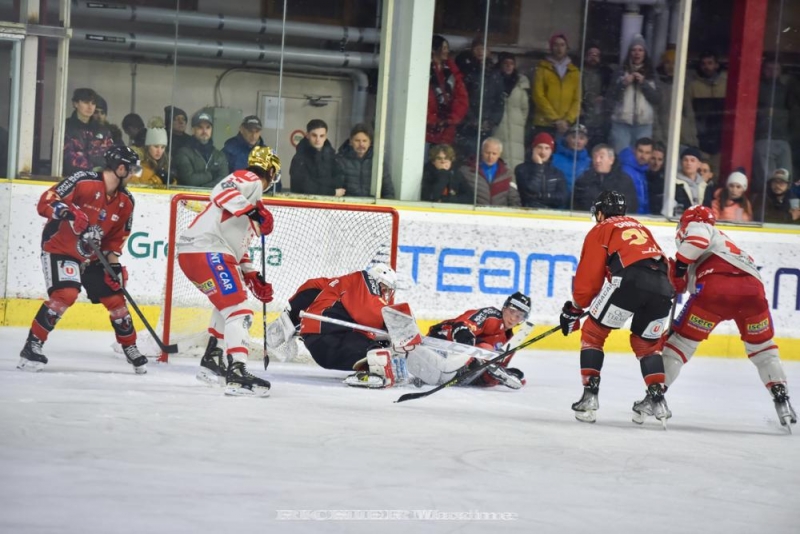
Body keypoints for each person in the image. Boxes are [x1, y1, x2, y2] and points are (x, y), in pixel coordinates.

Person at [661, 205, 796, 429]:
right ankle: (782, 398)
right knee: (763, 349)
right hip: (753, 294)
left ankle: (655, 395)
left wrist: (679, 268)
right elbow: (687, 284)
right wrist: (680, 278)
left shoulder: (700, 227)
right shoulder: (727, 248)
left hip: (715, 292)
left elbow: (696, 241)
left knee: (681, 344)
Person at [18, 146, 148, 374]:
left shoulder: (126, 201)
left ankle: (130, 346)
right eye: (132, 170)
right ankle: (32, 346)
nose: (133, 175)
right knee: (65, 294)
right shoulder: (83, 180)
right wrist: (68, 213)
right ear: (120, 168)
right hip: (61, 248)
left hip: (93, 256)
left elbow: (114, 241)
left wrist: (114, 268)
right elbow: (47, 200)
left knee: (116, 298)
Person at [559, 191, 673, 424]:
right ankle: (658, 400)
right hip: (663, 286)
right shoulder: (640, 227)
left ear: (600, 213)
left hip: (630, 281)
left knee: (593, 333)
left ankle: (589, 398)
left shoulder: (601, 229)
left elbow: (589, 278)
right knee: (648, 346)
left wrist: (575, 308)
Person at [176, 146, 281, 397]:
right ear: (270, 171)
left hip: (201, 253)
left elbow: (237, 249)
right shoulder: (251, 180)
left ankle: (213, 360)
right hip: (206, 250)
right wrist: (254, 211)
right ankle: (237, 373)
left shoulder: (248, 207)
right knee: (239, 311)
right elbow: (220, 190)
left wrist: (252, 275)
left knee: (227, 308)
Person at [299, 264, 401, 388]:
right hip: (325, 336)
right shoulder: (363, 280)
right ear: (376, 280)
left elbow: (312, 285)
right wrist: (395, 324)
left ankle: (368, 370)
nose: (385, 293)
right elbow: (369, 311)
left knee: (380, 349)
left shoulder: (349, 283)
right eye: (384, 288)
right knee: (377, 353)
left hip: (329, 337)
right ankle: (370, 372)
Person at [414, 292, 532, 389]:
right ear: (504, 307)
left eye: (519, 316)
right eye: (512, 311)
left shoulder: (509, 342)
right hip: (441, 339)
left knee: (489, 359)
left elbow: (489, 376)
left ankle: (453, 372)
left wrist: (498, 376)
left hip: (459, 368)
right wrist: (464, 335)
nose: (513, 318)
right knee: (487, 349)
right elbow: (462, 325)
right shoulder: (491, 315)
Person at [454, 36, 505, 161]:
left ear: (489, 51)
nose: (480, 52)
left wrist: (492, 121)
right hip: (468, 124)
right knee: (468, 157)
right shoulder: (467, 71)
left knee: (485, 156)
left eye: (483, 48)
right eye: (477, 48)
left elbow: (499, 100)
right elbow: (462, 97)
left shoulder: (495, 73)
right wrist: (471, 119)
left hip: (486, 124)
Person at [607, 35, 659, 153]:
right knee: (622, 157)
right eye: (634, 50)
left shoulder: (651, 73)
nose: (637, 53)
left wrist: (644, 84)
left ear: (645, 53)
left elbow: (657, 98)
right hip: (621, 123)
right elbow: (611, 96)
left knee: (642, 159)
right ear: (629, 53)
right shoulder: (620, 71)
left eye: (640, 50)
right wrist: (623, 84)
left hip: (644, 125)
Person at [753, 58, 793, 193]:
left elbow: (794, 113)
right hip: (763, 137)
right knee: (767, 180)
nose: (772, 72)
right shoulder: (757, 88)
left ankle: (783, 204)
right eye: (769, 69)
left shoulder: (787, 90)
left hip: (783, 138)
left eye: (776, 69)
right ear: (763, 70)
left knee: (786, 178)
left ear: (780, 71)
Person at [531, 33, 581, 138]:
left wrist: (568, 119)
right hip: (545, 122)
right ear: (551, 48)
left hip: (567, 125)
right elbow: (538, 95)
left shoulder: (574, 71)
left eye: (562, 45)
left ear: (567, 48)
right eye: (556, 45)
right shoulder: (542, 69)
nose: (559, 48)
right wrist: (555, 119)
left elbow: (577, 99)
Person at [686, 51, 728, 174]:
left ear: (716, 65)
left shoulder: (726, 85)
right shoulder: (693, 87)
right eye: (703, 64)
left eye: (710, 63)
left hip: (721, 138)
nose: (706, 67)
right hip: (700, 137)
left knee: (717, 174)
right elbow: (689, 113)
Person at [426, 35, 468, 148]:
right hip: (426, 131)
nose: (446, 51)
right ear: (434, 49)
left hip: (446, 131)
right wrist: (433, 120)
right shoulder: (424, 69)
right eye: (443, 48)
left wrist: (451, 119)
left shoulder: (452, 71)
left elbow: (461, 98)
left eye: (447, 48)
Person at [62, 87, 114, 176]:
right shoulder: (64, 127)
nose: (90, 107)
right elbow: (66, 158)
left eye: (93, 103)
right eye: (86, 102)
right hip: (71, 178)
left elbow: (110, 157)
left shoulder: (103, 130)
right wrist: (93, 167)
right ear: (75, 104)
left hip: (98, 179)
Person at [334, 123, 395, 198]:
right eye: (357, 140)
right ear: (350, 142)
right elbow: (335, 189)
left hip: (372, 204)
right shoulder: (340, 160)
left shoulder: (377, 161)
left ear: (370, 143)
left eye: (364, 141)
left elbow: (388, 190)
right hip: (347, 203)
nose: (361, 144)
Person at [572, 144, 638, 213]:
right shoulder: (583, 180)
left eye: (601, 157)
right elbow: (576, 205)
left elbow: (630, 205)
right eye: (595, 157)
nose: (597, 160)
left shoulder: (624, 181)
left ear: (611, 160)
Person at [493, 52, 530, 171]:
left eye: (511, 63)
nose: (509, 66)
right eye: (506, 63)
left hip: (516, 129)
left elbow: (525, 108)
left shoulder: (520, 84)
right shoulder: (493, 81)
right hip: (498, 126)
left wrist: (519, 121)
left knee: (516, 161)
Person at [458, 137, 520, 207]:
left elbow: (514, 198)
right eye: (487, 153)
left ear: (499, 154)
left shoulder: (507, 173)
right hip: (475, 212)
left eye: (494, 153)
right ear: (482, 151)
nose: (490, 156)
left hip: (499, 212)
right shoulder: (467, 171)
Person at [173, 110, 229, 188]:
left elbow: (224, 180)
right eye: (200, 127)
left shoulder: (219, 155)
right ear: (193, 130)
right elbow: (189, 180)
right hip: (189, 195)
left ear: (211, 130)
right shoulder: (183, 153)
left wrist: (204, 187)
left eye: (208, 127)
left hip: (213, 195)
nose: (204, 131)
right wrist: (211, 175)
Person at [515, 132, 569, 209]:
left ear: (551, 151)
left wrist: (540, 196)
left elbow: (563, 198)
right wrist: (538, 167)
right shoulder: (521, 169)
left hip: (550, 213)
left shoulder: (557, 173)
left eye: (547, 148)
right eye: (539, 147)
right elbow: (530, 191)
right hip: (527, 212)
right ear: (533, 149)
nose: (543, 152)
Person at [223, 116, 277, 191]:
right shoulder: (229, 150)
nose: (253, 135)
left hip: (261, 195)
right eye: (250, 131)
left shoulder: (267, 154)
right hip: (234, 194)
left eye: (257, 131)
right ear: (241, 129)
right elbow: (222, 179)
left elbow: (275, 183)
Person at [289, 119, 338, 195]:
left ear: (326, 137)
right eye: (314, 135)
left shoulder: (332, 157)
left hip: (328, 201)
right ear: (307, 135)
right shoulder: (299, 159)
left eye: (321, 136)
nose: (318, 139)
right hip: (304, 201)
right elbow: (303, 186)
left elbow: (339, 180)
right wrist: (332, 192)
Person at [580, 45, 613, 149]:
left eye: (596, 55)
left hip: (600, 116)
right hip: (583, 114)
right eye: (591, 54)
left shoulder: (607, 73)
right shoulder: (579, 72)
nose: (593, 57)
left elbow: (612, 92)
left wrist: (604, 96)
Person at [551, 123, 591, 194]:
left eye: (581, 138)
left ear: (586, 141)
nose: (578, 141)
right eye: (574, 137)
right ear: (567, 138)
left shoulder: (590, 163)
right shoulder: (553, 159)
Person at [617, 137, 653, 214]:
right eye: (640, 151)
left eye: (647, 153)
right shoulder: (625, 170)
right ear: (634, 150)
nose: (643, 156)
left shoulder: (642, 170)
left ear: (651, 154)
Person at [131, 118, 169, 187]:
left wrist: (172, 181)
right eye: (156, 146)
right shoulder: (138, 163)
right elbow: (133, 185)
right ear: (148, 146)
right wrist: (157, 179)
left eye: (163, 147)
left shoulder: (165, 164)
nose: (159, 151)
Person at [674, 146, 713, 214]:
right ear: (681, 162)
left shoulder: (704, 186)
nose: (688, 163)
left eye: (692, 160)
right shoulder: (674, 183)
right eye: (685, 160)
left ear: (699, 164)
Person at [646, 142, 666, 215]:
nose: (656, 163)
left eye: (660, 159)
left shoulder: (667, 179)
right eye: (653, 158)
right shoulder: (641, 176)